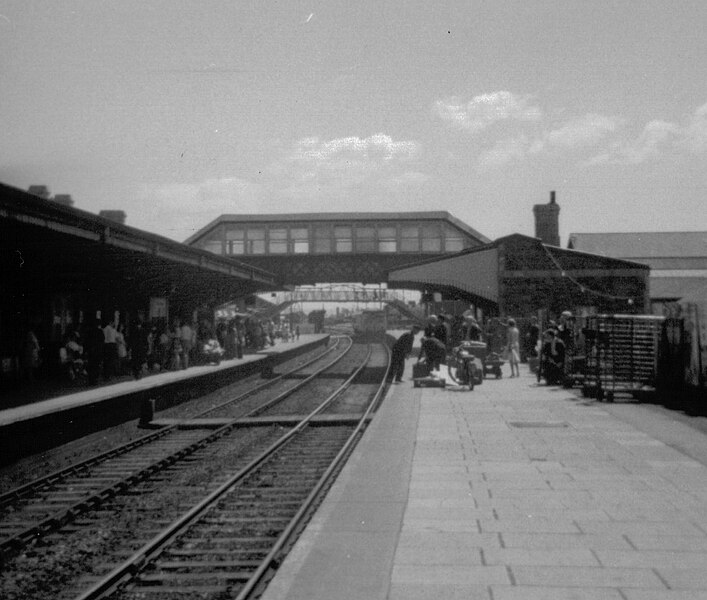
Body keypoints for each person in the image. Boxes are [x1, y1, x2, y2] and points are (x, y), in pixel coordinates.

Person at [85, 320, 105, 385]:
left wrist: (87, 350)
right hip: (98, 351)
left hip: (91, 351)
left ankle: (90, 379)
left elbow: (86, 342)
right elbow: (102, 340)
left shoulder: (89, 331)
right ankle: (95, 379)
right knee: (96, 365)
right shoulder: (100, 331)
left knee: (91, 365)